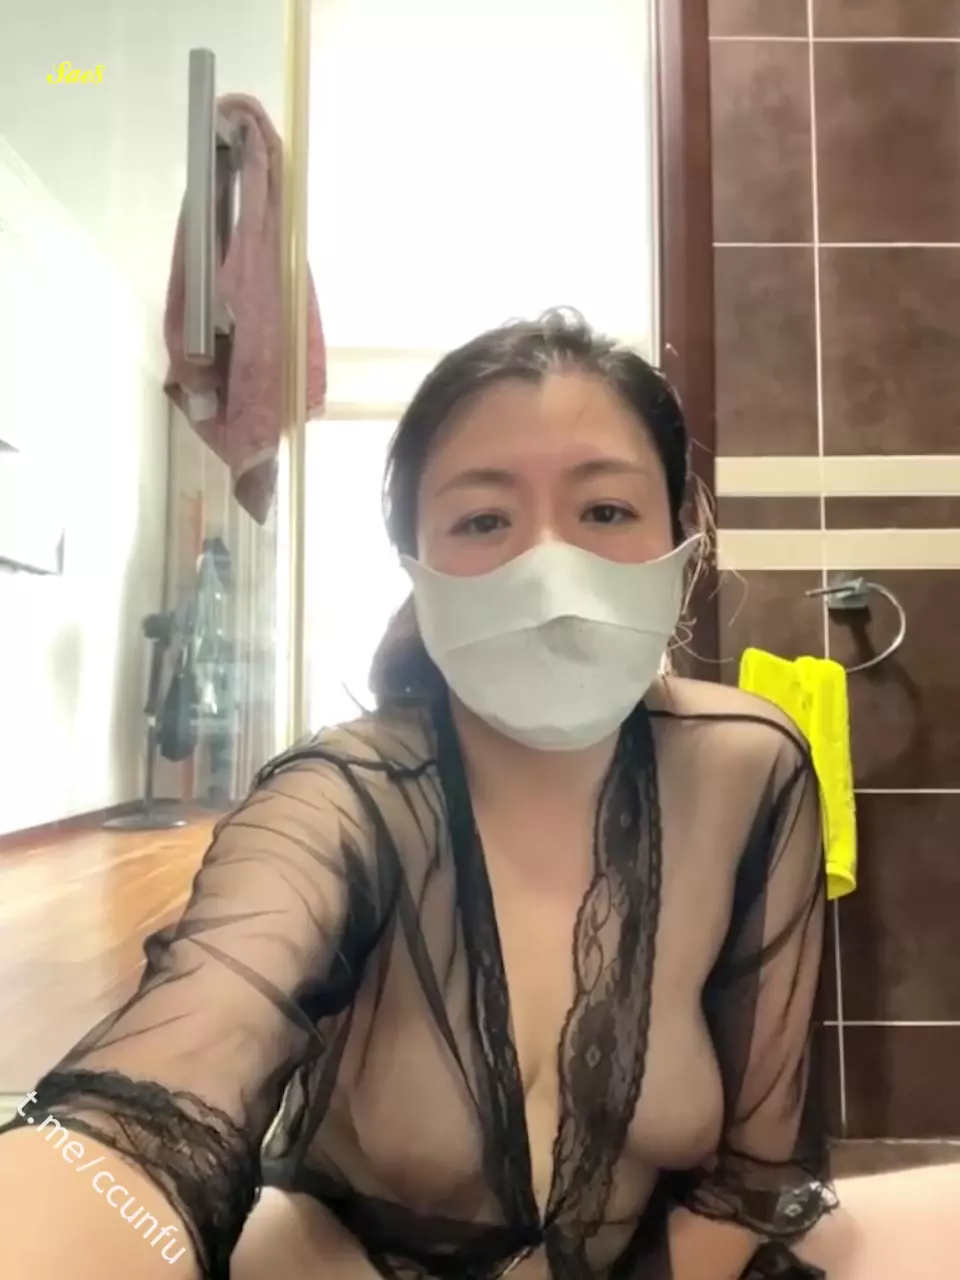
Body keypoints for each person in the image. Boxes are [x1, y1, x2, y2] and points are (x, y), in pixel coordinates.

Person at [0, 311, 954, 1280]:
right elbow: (143, 1112)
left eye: (606, 511)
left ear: (684, 538)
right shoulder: (341, 800)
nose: (549, 566)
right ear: (415, 568)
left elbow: (753, 1172)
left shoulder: (751, 767)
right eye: (484, 520)